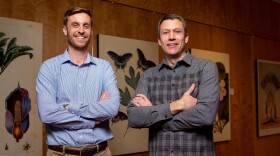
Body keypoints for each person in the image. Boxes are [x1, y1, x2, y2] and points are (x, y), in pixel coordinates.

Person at [127, 14, 220, 156]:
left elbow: (206, 115)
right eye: (165, 32)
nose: (171, 37)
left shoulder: (206, 68)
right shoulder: (148, 76)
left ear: (186, 37)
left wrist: (154, 116)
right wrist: (178, 105)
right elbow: (134, 117)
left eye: (177, 31)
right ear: (159, 40)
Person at [36, 7, 120, 156]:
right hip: (60, 153)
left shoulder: (104, 68)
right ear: (65, 30)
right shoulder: (49, 68)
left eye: (86, 26)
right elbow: (47, 114)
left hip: (101, 152)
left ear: (91, 31)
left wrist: (67, 106)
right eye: (75, 25)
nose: (81, 30)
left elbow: (112, 108)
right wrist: (93, 120)